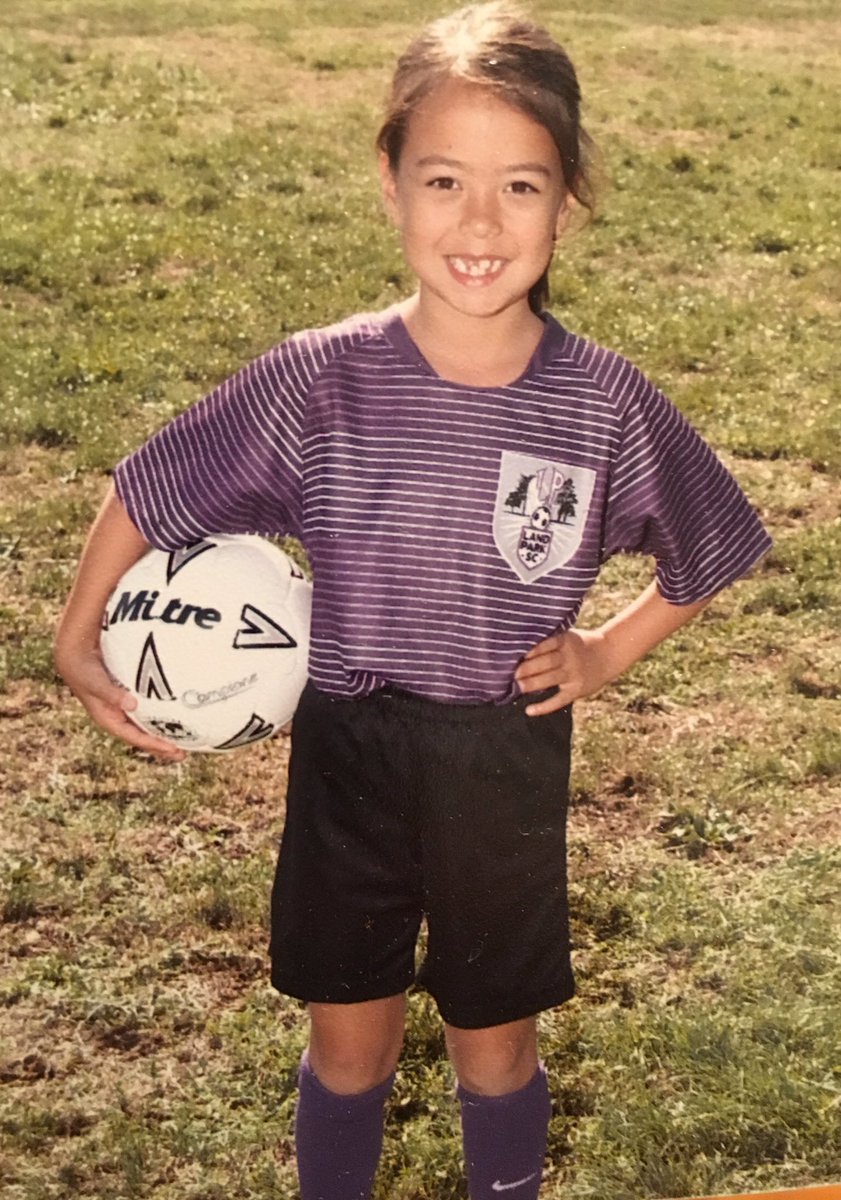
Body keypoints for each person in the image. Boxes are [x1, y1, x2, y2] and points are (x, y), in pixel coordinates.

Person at [54, 3, 772, 1197]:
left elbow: (712, 540)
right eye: (444, 181)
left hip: (501, 756)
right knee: (351, 1050)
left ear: (567, 200)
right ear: (389, 182)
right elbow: (154, 482)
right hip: (350, 750)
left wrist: (606, 652)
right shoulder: (318, 379)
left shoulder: (602, 402)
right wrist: (78, 637)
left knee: (495, 1050)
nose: (479, 223)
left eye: (520, 187)